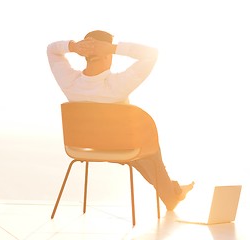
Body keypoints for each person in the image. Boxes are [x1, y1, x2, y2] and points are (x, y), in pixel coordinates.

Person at [47, 30, 194, 211]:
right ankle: (172, 195)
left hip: (87, 146)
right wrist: (114, 48)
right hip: (121, 147)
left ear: (84, 55)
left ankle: (174, 191)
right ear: (108, 55)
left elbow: (51, 50)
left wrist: (73, 46)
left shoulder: (69, 83)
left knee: (140, 158)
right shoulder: (117, 86)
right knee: (147, 152)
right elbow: (151, 54)